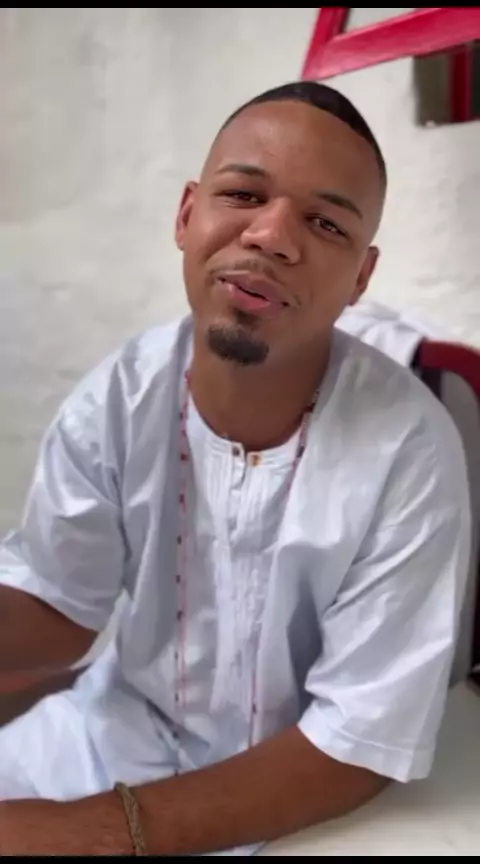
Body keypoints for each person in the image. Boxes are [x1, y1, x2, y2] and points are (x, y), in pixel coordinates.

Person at [0, 81, 470, 856]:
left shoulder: (409, 451)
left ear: (361, 277)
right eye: (244, 194)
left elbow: (357, 741)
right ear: (187, 215)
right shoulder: (119, 396)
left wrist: (84, 834)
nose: (272, 236)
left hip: (305, 797)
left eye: (325, 222)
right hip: (103, 737)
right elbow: (60, 601)